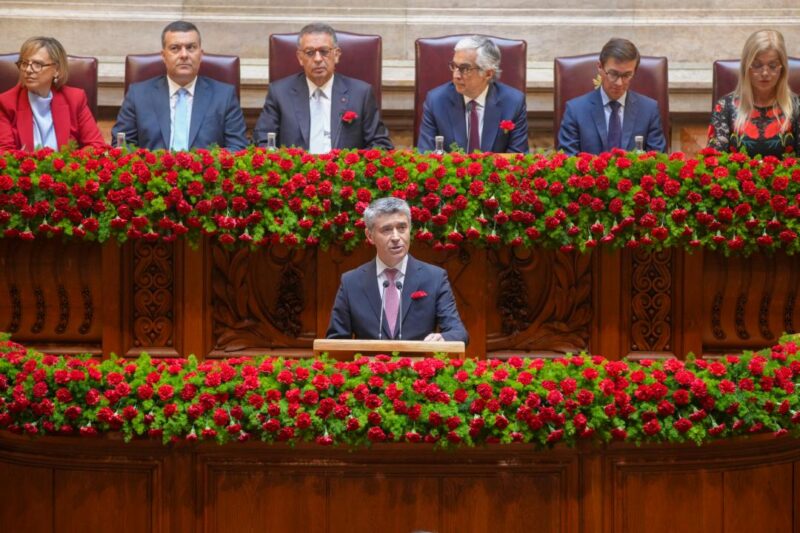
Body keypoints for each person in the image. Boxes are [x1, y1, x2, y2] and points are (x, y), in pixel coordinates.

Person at [326, 197, 468, 343]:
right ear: (370, 236)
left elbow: (458, 333)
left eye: (402, 228)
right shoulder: (351, 282)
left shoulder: (434, 278)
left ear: (410, 229)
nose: (396, 237)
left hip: (418, 358)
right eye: (386, 230)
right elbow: (335, 342)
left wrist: (443, 338)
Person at [252, 22, 393, 152]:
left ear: (336, 55)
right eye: (310, 52)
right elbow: (262, 141)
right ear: (300, 58)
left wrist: (353, 166)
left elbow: (380, 144)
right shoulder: (279, 93)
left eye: (324, 51)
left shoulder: (361, 93)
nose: (318, 59)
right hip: (296, 170)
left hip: (344, 170)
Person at [111, 20, 248, 151]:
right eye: (175, 48)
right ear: (163, 56)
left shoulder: (224, 96)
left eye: (191, 47)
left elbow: (238, 147)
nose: (184, 55)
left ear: (201, 55)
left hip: (206, 168)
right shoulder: (138, 95)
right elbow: (122, 145)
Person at [417, 35, 528, 153]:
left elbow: (517, 157)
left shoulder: (513, 103)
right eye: (454, 66)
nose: (456, 75)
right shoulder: (436, 101)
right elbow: (426, 155)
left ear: (488, 74)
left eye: (465, 69)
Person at [557, 38, 667, 155]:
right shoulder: (575, 111)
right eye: (613, 74)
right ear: (600, 67)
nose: (619, 83)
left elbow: (657, 160)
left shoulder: (649, 110)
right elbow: (568, 160)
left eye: (627, 75)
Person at [0, 36, 105, 151]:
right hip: (23, 164)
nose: (28, 70)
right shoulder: (6, 103)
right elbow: (4, 152)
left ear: (57, 70)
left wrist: (66, 160)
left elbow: (96, 145)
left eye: (37, 64)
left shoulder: (75, 99)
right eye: (24, 63)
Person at [708, 29, 800, 158]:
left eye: (772, 66)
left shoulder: (796, 106)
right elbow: (713, 160)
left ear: (783, 69)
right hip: (737, 172)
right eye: (757, 65)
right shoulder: (725, 106)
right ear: (746, 67)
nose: (765, 73)